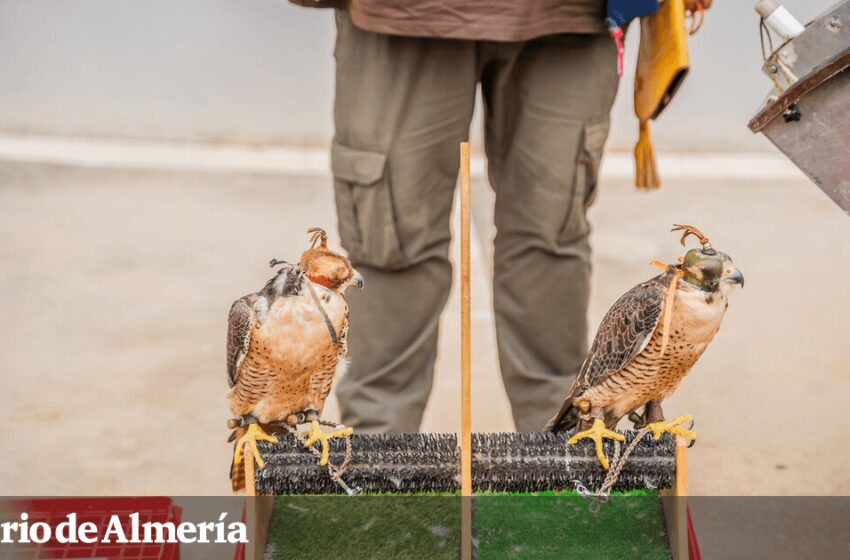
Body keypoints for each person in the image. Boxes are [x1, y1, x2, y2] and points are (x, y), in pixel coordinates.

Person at [290, 0, 709, 433]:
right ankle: (377, 463)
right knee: (391, 238)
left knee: (550, 238)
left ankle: (561, 455)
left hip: (571, 14)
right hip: (404, 12)